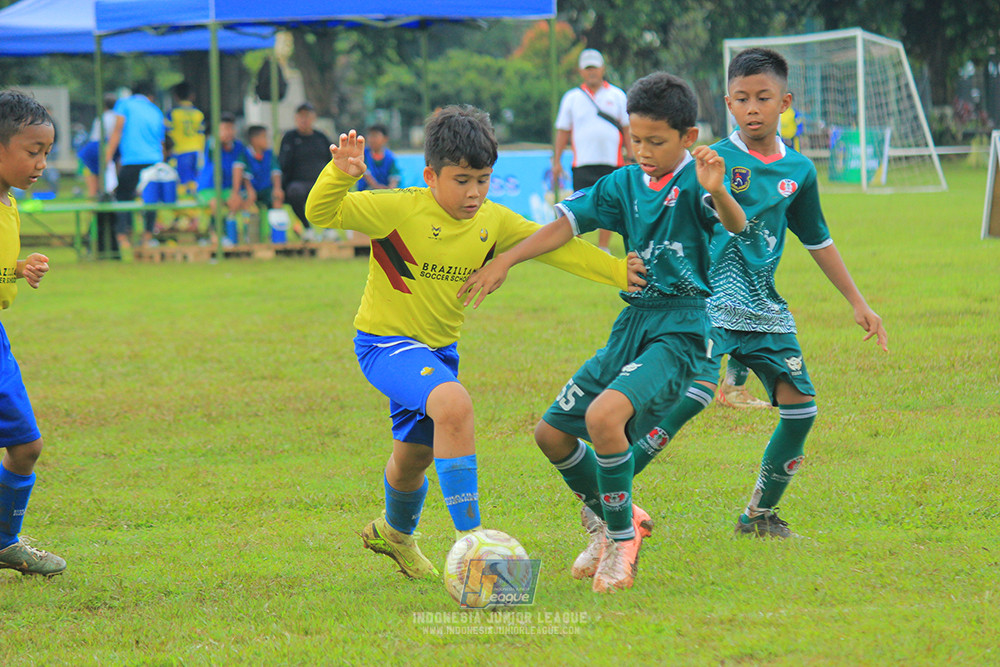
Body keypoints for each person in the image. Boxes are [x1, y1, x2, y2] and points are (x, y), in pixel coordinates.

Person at [304, 106, 646, 581]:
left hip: (438, 352)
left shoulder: (493, 220)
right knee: (454, 405)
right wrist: (338, 176)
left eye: (483, 180)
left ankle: (394, 533)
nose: (474, 193)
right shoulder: (399, 207)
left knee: (415, 456)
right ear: (431, 175)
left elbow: (556, 245)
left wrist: (616, 270)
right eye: (462, 180)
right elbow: (320, 211)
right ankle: (476, 547)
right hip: (384, 344)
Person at [460, 73, 748, 593]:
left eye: (656, 141)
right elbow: (565, 226)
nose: (643, 151)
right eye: (636, 139)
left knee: (603, 418)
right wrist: (508, 259)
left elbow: (735, 225)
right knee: (550, 433)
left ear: (687, 137)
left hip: (681, 328)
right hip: (630, 325)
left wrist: (720, 191)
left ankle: (621, 541)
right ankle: (609, 521)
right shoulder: (622, 183)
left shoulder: (696, 183)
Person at [626, 48, 888, 539]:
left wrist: (858, 301)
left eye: (763, 98)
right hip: (708, 304)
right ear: (728, 102)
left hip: (765, 308)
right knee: (692, 398)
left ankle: (759, 515)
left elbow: (819, 240)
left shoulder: (800, 171)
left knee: (801, 409)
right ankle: (607, 494)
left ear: (784, 102)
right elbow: (658, 210)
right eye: (742, 98)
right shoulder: (710, 160)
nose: (752, 108)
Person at [0, 90, 65, 576]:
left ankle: (4, 541)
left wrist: (18, 268)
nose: (41, 162)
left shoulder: (9, 202)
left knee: (27, 445)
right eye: (32, 151)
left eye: (46, 152)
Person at [552, 48, 634, 254]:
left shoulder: (617, 95)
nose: (591, 73)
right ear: (581, 71)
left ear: (602, 69)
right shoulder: (571, 98)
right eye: (587, 69)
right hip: (583, 162)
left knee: (609, 203)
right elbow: (563, 131)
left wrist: (631, 154)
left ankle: (603, 246)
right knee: (578, 204)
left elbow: (627, 128)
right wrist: (557, 160)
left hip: (611, 161)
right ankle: (578, 247)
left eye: (595, 68)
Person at [105, 81, 165, 254]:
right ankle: (147, 236)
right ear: (150, 96)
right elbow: (161, 142)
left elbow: (118, 130)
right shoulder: (156, 110)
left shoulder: (124, 104)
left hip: (132, 159)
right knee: (150, 199)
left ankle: (122, 237)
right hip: (154, 159)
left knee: (123, 197)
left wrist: (108, 155)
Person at [278, 102, 332, 241]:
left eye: (307, 116)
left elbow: (330, 161)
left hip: (320, 181)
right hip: (298, 183)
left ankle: (329, 229)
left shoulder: (321, 138)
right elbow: (282, 164)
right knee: (294, 192)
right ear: (296, 118)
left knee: (331, 192)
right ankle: (307, 228)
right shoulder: (289, 138)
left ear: (313, 118)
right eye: (301, 116)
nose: (304, 120)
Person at [196, 112, 245, 244]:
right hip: (209, 188)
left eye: (231, 128)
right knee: (215, 203)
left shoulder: (239, 147)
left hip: (227, 188)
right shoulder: (212, 144)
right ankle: (216, 235)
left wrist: (236, 192)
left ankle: (234, 236)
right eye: (225, 129)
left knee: (236, 201)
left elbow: (240, 169)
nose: (228, 132)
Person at [230, 125, 284, 238]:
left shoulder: (269, 154)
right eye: (264, 137)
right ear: (254, 140)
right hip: (248, 190)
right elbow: (244, 175)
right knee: (247, 200)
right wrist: (249, 191)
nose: (267, 140)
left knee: (276, 198)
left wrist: (277, 188)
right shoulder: (245, 154)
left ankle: (276, 236)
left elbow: (276, 172)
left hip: (265, 189)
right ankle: (247, 235)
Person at [164, 81, 205, 198]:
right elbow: (201, 134)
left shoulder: (172, 114)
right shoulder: (198, 114)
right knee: (194, 182)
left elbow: (166, 133)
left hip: (179, 152)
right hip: (196, 152)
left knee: (181, 184)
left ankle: (185, 210)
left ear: (176, 96)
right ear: (192, 96)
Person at [77, 93, 118, 198]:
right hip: (104, 147)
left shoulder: (100, 118)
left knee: (93, 189)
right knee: (109, 185)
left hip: (91, 148)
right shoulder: (117, 117)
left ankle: (93, 209)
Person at [357, 123, 400, 190]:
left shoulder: (390, 157)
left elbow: (395, 176)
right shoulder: (363, 154)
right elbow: (365, 173)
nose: (372, 139)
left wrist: (391, 189)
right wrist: (376, 186)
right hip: (366, 193)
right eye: (370, 136)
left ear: (385, 139)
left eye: (375, 136)